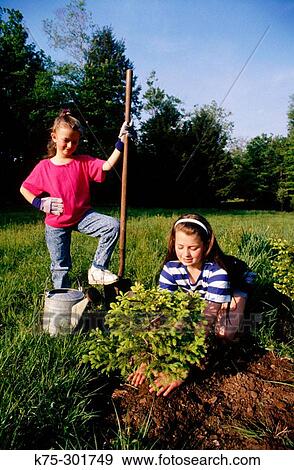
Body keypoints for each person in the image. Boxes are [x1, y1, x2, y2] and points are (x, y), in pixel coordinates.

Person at [129, 213, 255, 397]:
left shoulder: (218, 273)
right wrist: (147, 358)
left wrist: (180, 368)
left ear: (206, 245)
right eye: (180, 247)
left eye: (193, 248)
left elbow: (206, 321)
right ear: (174, 243)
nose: (186, 254)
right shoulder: (171, 268)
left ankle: (238, 301)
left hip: (237, 281)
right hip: (200, 289)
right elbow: (162, 313)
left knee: (224, 333)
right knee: (176, 321)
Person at [20, 109, 131, 288]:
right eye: (66, 140)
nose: (70, 145)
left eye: (75, 141)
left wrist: (121, 142)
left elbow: (107, 166)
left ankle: (97, 269)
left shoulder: (83, 162)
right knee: (60, 266)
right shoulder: (44, 167)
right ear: (54, 137)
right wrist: (39, 203)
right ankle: (62, 298)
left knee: (112, 226)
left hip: (82, 216)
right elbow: (24, 188)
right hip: (56, 224)